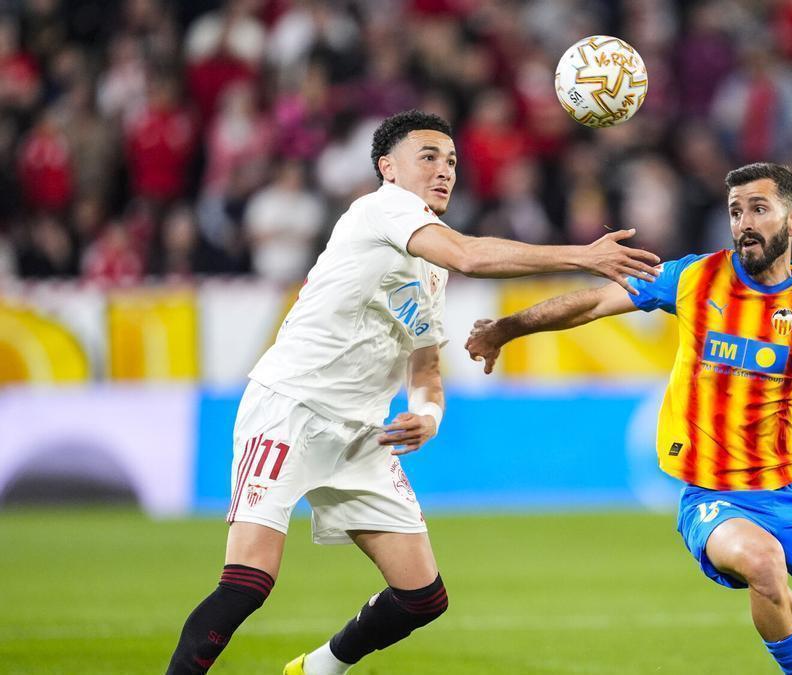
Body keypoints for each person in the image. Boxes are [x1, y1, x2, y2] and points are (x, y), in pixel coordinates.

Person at [164, 110, 660, 675]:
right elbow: (472, 255)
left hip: (363, 433)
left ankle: (317, 669)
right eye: (428, 156)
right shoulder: (382, 209)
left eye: (451, 160)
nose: (444, 169)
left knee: (422, 597)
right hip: (291, 411)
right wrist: (582, 256)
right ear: (387, 168)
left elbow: (425, 366)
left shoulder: (429, 265)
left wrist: (428, 414)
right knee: (248, 584)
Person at [466, 162, 792, 675]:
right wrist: (506, 328)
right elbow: (591, 305)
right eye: (735, 211)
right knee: (762, 561)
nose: (744, 221)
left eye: (759, 209)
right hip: (715, 497)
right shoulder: (694, 277)